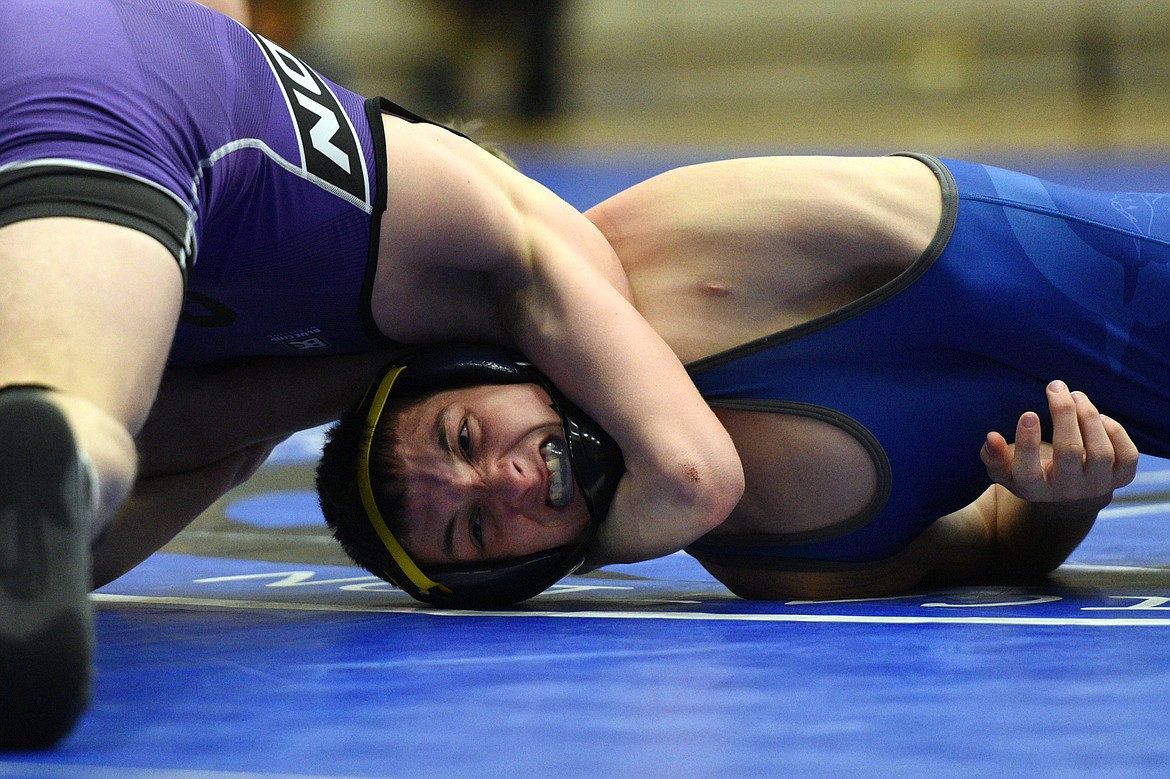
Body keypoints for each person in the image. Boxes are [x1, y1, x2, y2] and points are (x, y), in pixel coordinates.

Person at [0, 0, 740, 749]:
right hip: (122, 110)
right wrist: (559, 548)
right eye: (464, 434)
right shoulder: (540, 250)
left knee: (89, 460)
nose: (513, 477)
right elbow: (693, 477)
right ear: (513, 363)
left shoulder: (310, 361)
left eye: (476, 525)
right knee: (74, 416)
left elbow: (170, 471)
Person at [314, 152, 1159, 607]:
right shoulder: (773, 560)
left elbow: (688, 479)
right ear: (512, 578)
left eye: (465, 434)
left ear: (481, 363)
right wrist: (1065, 498)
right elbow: (1001, 546)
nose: (507, 478)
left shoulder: (641, 251)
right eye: (474, 533)